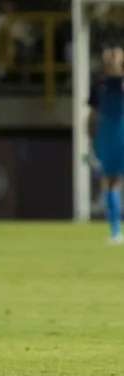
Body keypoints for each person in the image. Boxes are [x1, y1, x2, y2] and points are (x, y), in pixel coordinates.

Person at [88, 45, 124, 243]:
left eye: (115, 55)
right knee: (109, 181)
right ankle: (115, 231)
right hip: (108, 134)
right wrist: (91, 138)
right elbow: (92, 114)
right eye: (109, 56)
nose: (111, 59)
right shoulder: (99, 84)